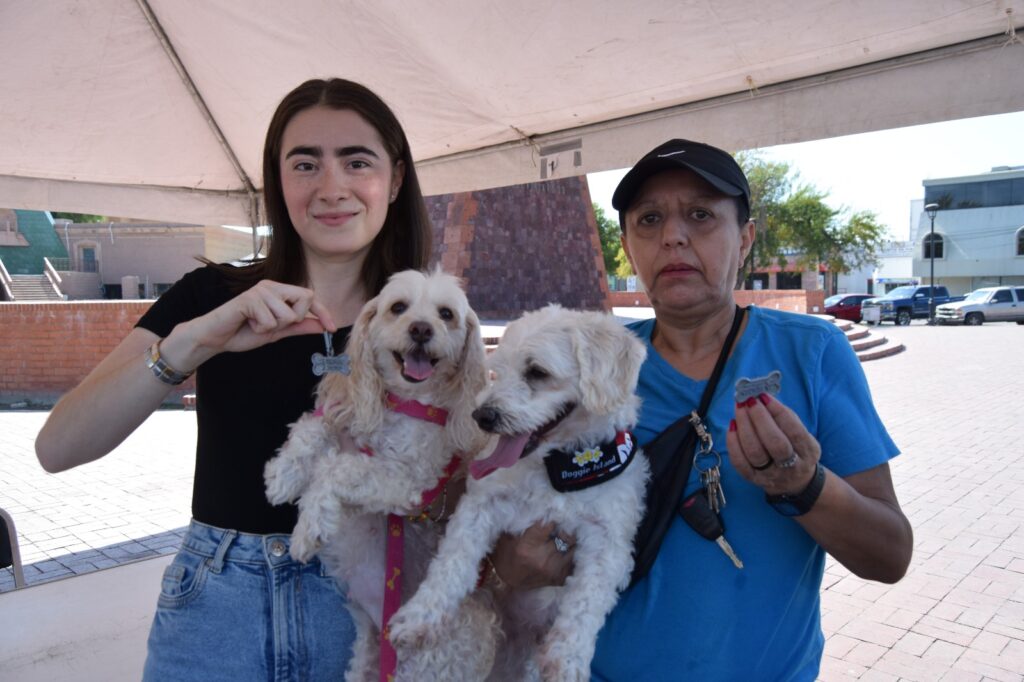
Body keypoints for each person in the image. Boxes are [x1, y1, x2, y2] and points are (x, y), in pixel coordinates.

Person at [34, 78, 433, 681]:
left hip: (370, 604)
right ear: (278, 180)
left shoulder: (430, 324)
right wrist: (193, 342)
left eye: (357, 161)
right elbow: (57, 447)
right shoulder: (212, 299)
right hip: (218, 608)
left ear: (395, 179)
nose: (332, 188)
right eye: (305, 164)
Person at [589, 139, 914, 681]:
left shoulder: (811, 354)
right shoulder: (595, 365)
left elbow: (890, 555)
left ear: (744, 238)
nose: (673, 235)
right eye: (649, 219)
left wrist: (805, 485)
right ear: (627, 243)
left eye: (700, 215)